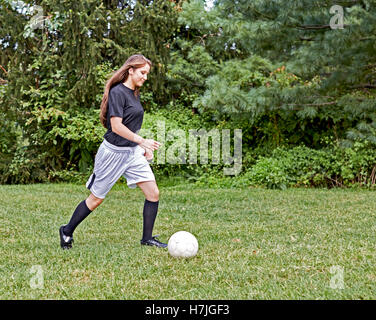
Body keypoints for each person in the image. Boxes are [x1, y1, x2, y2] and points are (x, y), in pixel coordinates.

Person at [59, 54, 167, 249]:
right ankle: (66, 231)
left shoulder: (135, 92)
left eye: (147, 74)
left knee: (153, 193)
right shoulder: (118, 92)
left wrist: (141, 148)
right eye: (143, 72)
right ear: (130, 70)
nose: (145, 77)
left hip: (131, 152)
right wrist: (141, 141)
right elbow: (116, 126)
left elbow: (131, 123)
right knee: (96, 199)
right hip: (112, 153)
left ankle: (147, 238)